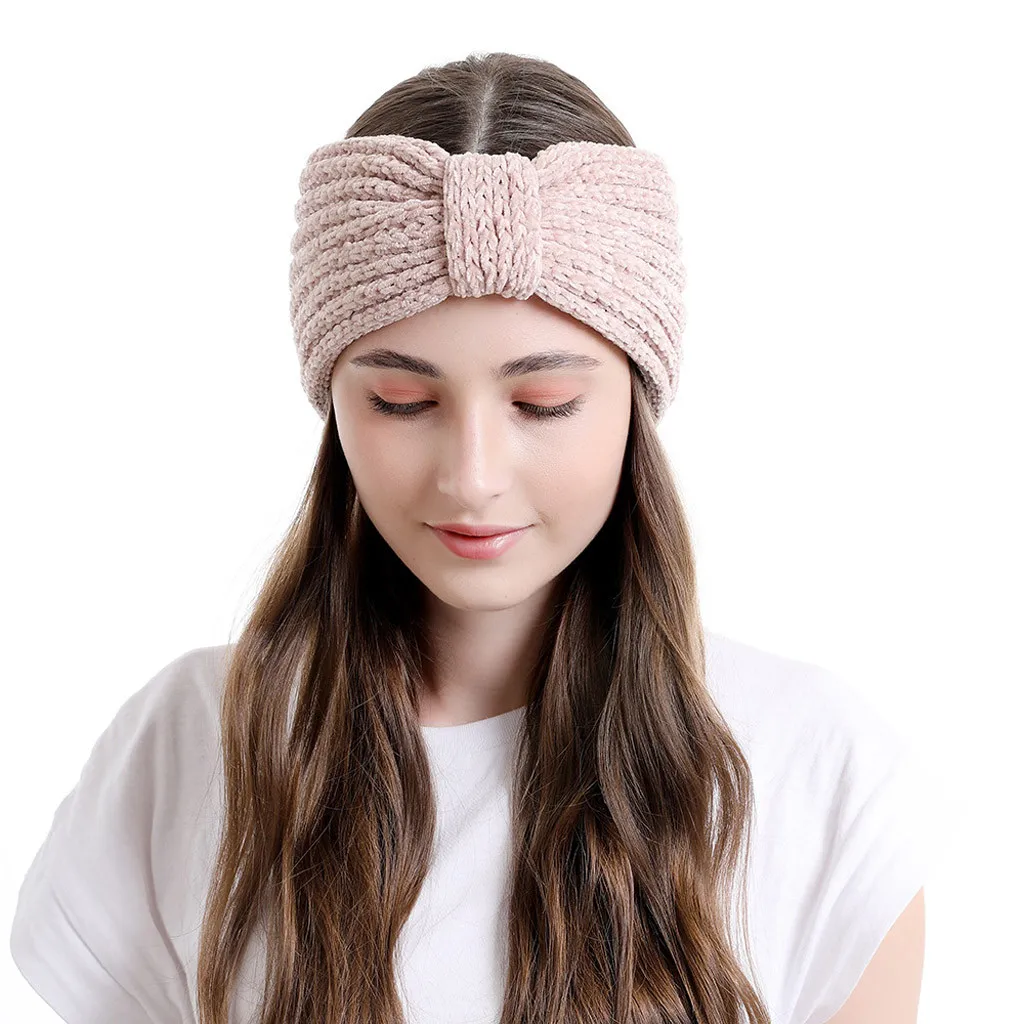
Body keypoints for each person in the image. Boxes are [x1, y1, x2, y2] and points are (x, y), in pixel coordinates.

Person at [9, 51, 937, 1024]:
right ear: (335, 405)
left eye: (544, 401)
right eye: (402, 400)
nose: (473, 474)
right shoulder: (192, 743)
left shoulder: (814, 770)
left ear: (633, 402)